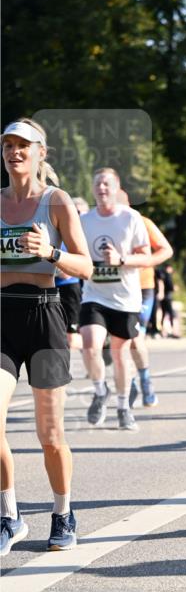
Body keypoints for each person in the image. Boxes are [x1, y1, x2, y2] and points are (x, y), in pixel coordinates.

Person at [1, 117, 92, 554]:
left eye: (23, 145)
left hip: (44, 316)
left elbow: (86, 265)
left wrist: (50, 252)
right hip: (2, 316)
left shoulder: (56, 201)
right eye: (8, 145)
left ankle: (62, 513)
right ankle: (9, 515)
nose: (14, 152)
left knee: (50, 434)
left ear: (41, 153)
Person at [79, 168, 151, 431]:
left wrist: (121, 260)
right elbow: (75, 252)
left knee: (120, 355)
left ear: (117, 188)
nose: (102, 188)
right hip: (94, 295)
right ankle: (100, 391)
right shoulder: (84, 220)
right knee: (90, 346)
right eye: (97, 184)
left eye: (106, 184)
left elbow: (146, 256)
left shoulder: (131, 218)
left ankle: (123, 407)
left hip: (124, 298)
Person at [117, 192, 174, 408]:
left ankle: (144, 379)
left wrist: (144, 262)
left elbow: (166, 250)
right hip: (112, 290)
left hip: (141, 287)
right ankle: (130, 381)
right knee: (117, 341)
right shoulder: (98, 222)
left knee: (134, 337)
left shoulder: (142, 222)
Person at [54, 196, 89, 352]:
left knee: (72, 336)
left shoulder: (87, 232)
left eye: (79, 212)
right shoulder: (58, 229)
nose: (75, 214)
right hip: (53, 287)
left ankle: (97, 346)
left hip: (72, 287)